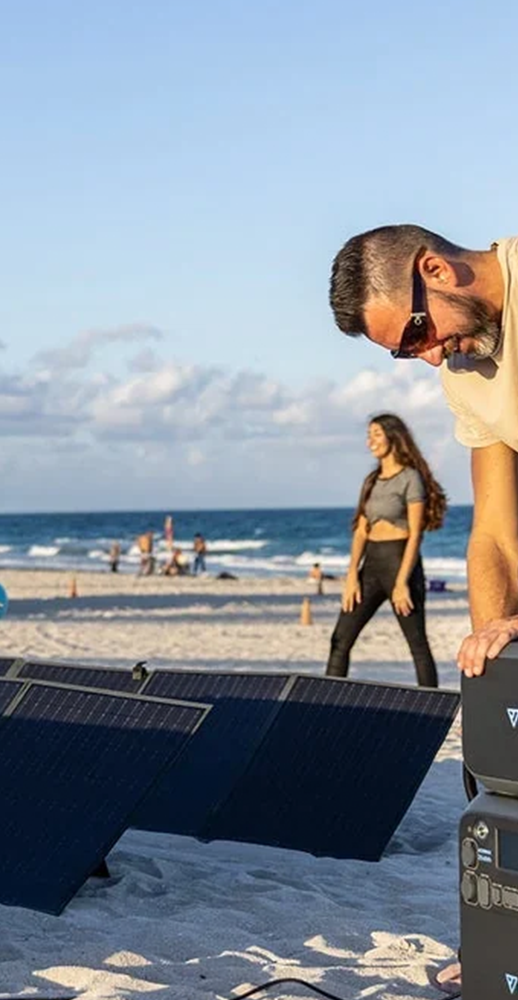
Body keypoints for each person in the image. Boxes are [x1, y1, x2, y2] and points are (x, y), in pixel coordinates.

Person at [329, 224, 518, 990]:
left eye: (418, 334)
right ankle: (506, 942)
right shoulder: (467, 366)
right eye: (409, 355)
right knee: (502, 777)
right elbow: (497, 535)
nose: (432, 357)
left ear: (437, 268)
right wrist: (491, 652)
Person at [325, 415, 446, 688]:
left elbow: (416, 533)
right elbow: (360, 530)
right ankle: (326, 703)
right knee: (340, 639)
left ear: (394, 436)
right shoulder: (372, 480)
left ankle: (433, 708)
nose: (371, 441)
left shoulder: (410, 478)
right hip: (370, 565)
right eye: (369, 435)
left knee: (417, 644)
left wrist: (402, 582)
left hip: (399, 563)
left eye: (377, 434)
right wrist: (351, 576)